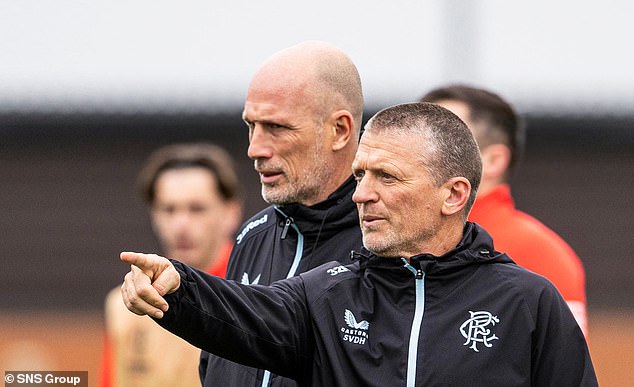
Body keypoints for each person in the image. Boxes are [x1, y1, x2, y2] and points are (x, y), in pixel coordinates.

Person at [120, 102, 597, 386]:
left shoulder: (528, 301)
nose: (363, 194)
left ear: (453, 195)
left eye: (386, 177)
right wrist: (180, 287)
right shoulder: (325, 293)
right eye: (360, 175)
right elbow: (246, 313)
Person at [195, 40, 364, 386]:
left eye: (276, 127)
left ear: (340, 130)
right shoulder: (251, 236)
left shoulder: (389, 245)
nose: (254, 149)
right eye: (251, 126)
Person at [420, 85, 589, 336]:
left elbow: (566, 370)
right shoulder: (384, 239)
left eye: (441, 139)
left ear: (493, 160)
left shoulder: (541, 254)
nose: (416, 150)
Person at [100, 143, 243, 387]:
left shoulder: (256, 295)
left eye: (196, 209)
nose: (181, 224)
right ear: (154, 215)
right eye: (169, 209)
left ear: (230, 212)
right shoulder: (125, 306)